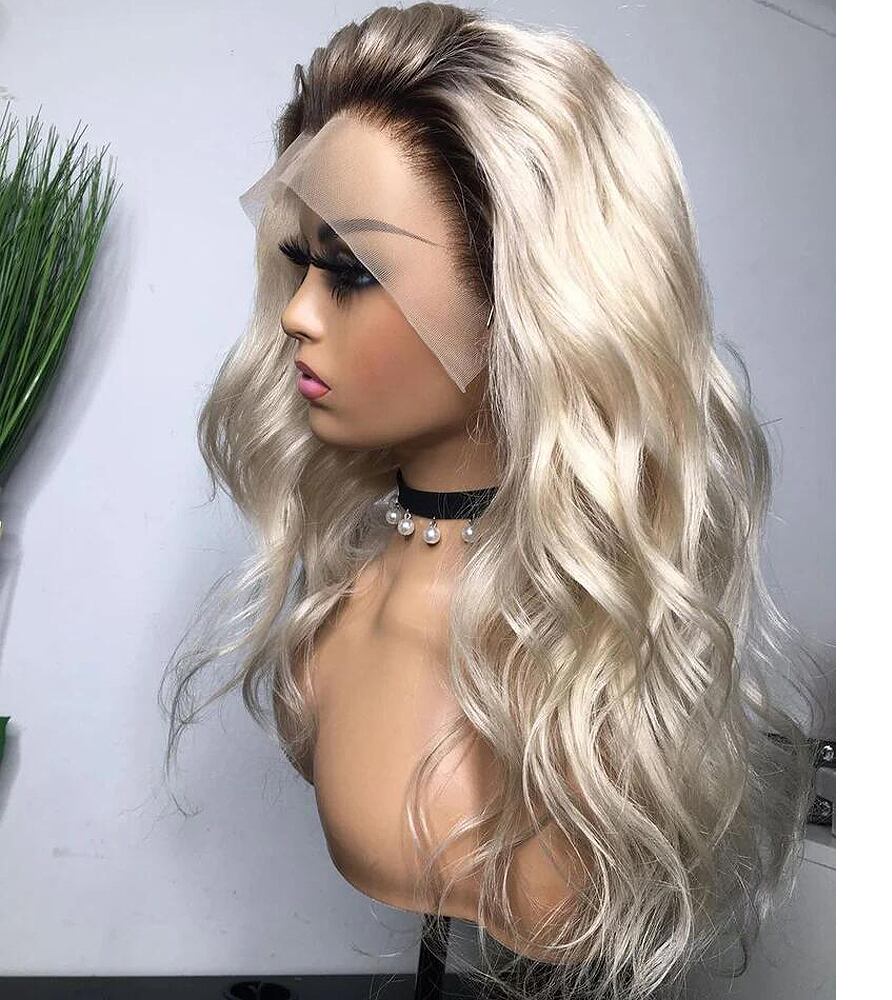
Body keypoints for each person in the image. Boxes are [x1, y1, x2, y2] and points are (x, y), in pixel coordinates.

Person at [160, 5, 819, 999]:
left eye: (351, 273)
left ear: (524, 298)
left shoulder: (585, 673)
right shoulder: (346, 606)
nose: (295, 312)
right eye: (300, 264)